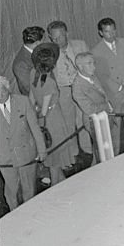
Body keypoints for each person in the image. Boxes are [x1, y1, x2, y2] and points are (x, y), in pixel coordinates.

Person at [91, 17, 124, 151]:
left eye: (113, 31)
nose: (112, 34)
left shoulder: (123, 42)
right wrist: (119, 87)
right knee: (115, 123)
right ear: (101, 33)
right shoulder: (96, 51)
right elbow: (102, 75)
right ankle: (115, 151)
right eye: (107, 32)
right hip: (113, 93)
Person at [0, 77, 46, 211]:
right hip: (5, 157)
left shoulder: (23, 101)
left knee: (29, 187)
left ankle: (30, 212)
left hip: (26, 153)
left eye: (2, 91)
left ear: (8, 89)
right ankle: (14, 214)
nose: (0, 95)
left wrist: (41, 149)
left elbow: (35, 127)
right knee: (11, 190)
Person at [27, 43, 73, 185]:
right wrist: (42, 112)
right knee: (56, 157)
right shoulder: (49, 82)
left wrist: (33, 114)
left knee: (51, 153)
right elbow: (45, 111)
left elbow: (31, 97)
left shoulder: (33, 73)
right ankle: (55, 185)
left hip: (41, 118)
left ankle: (62, 182)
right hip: (53, 119)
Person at [48, 20, 90, 160]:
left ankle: (88, 150)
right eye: (53, 38)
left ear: (67, 33)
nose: (56, 41)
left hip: (81, 88)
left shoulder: (80, 45)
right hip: (63, 91)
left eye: (59, 37)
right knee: (68, 123)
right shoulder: (49, 52)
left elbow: (90, 66)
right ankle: (73, 154)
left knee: (83, 120)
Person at [72, 52, 118, 155]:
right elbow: (89, 109)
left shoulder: (92, 76)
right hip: (95, 122)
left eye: (94, 63)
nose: (94, 67)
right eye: (89, 63)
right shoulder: (77, 86)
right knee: (102, 152)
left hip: (105, 117)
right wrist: (107, 106)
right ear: (80, 66)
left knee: (111, 148)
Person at [10, 26, 46, 96]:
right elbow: (31, 88)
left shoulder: (36, 51)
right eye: (43, 40)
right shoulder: (20, 64)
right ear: (37, 43)